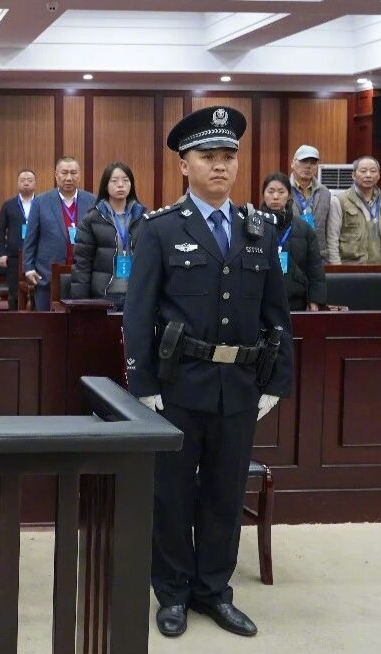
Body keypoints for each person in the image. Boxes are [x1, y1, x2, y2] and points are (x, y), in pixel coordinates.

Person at [123, 105, 292, 640]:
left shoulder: (258, 229)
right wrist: (142, 383)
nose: (220, 166)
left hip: (239, 386)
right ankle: (172, 592)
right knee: (172, 494)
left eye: (228, 156)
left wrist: (277, 380)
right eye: (207, 156)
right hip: (179, 384)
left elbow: (276, 312)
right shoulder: (160, 229)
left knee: (224, 493)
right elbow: (138, 312)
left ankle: (214, 590)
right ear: (184, 165)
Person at [22, 156, 96, 310]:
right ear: (56, 175)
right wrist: (28, 268)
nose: (69, 178)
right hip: (47, 275)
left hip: (83, 276)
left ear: (79, 175)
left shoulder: (92, 201)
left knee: (80, 320)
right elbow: (30, 239)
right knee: (47, 322)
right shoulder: (40, 202)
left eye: (73, 173)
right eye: (64, 173)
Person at [70, 162, 146, 310]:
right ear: (105, 185)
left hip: (136, 295)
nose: (120, 185)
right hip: (104, 296)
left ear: (131, 185)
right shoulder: (92, 219)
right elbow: (82, 264)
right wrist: (81, 303)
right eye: (114, 181)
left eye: (125, 180)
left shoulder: (142, 217)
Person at [261, 172, 326, 311]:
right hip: (261, 301)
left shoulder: (304, 228)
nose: (275, 197)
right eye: (270, 192)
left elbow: (315, 268)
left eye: (281, 192)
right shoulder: (254, 226)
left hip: (296, 301)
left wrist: (315, 300)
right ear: (263, 195)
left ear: (289, 195)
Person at [328, 155, 381, 265]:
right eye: (363, 171)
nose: (368, 175)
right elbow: (332, 239)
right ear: (353, 175)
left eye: (373, 171)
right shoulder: (339, 201)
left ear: (378, 176)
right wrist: (337, 268)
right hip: (352, 268)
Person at [0, 168, 37, 302]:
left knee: (36, 291)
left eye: (29, 180)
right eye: (23, 180)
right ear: (18, 183)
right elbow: (0, 231)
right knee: (14, 292)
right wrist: (1, 253)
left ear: (35, 184)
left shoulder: (41, 204)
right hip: (14, 255)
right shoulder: (8, 205)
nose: (26, 183)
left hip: (36, 255)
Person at [288, 145, 333, 262]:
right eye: (303, 161)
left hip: (319, 256)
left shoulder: (325, 193)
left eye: (313, 163)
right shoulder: (283, 190)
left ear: (316, 167)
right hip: (290, 255)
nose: (308, 166)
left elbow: (330, 229)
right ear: (293, 163)